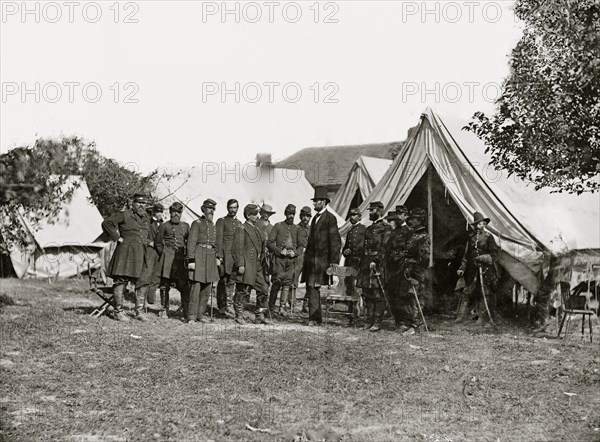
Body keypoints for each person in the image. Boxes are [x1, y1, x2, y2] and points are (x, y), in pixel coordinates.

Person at [101, 193, 152, 321]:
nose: (142, 206)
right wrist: (117, 238)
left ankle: (139, 312)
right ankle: (118, 311)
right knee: (121, 280)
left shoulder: (146, 218)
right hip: (126, 253)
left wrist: (148, 242)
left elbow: (147, 235)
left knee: (143, 280)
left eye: (144, 203)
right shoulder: (125, 214)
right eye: (139, 203)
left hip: (141, 253)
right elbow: (107, 222)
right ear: (133, 203)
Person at [301, 187, 342, 326]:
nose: (314, 204)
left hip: (322, 261)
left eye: (316, 201)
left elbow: (335, 241)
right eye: (314, 201)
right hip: (312, 261)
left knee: (313, 287)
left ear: (324, 202)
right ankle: (314, 317)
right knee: (311, 287)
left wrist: (334, 262)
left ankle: (314, 318)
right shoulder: (314, 218)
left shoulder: (330, 218)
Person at [456, 211, 499, 325]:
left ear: (484, 224)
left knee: (484, 292)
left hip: (485, 270)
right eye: (476, 224)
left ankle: (481, 318)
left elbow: (494, 255)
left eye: (480, 224)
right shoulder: (471, 237)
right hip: (472, 270)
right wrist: (462, 268)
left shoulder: (489, 237)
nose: (478, 226)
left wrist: (482, 258)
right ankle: (461, 316)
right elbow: (466, 255)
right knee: (467, 291)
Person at [232, 204, 271, 325]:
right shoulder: (241, 228)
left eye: (257, 213)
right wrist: (240, 265)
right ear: (248, 215)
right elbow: (237, 249)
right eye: (254, 214)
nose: (257, 216)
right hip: (246, 264)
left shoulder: (257, 229)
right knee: (242, 291)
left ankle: (259, 315)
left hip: (257, 266)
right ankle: (238, 315)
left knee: (264, 289)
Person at [356, 201, 391, 332]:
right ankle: (368, 320)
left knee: (377, 293)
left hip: (377, 264)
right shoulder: (369, 228)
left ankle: (377, 322)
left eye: (373, 211)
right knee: (367, 293)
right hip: (366, 262)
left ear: (380, 211)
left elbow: (385, 248)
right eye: (370, 211)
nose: (370, 213)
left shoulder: (386, 228)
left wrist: (376, 260)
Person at [186, 199, 220, 323]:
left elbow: (216, 244)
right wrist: (191, 260)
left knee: (206, 288)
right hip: (199, 255)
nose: (211, 211)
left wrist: (217, 257)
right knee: (196, 287)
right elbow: (191, 242)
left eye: (213, 209)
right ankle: (191, 316)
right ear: (203, 209)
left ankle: (200, 315)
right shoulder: (197, 223)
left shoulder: (213, 225)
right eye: (209, 208)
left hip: (210, 256)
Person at [154, 202, 190, 319]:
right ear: (170, 212)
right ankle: (164, 309)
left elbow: (189, 242)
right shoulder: (164, 226)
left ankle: (186, 310)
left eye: (178, 212)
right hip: (168, 260)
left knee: (184, 286)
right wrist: (165, 254)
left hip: (180, 260)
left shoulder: (186, 226)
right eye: (173, 212)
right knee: (165, 286)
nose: (176, 214)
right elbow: (158, 243)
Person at [267, 204, 301, 317]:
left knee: (287, 285)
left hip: (291, 262)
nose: (291, 216)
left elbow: (301, 246)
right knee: (276, 283)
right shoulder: (278, 226)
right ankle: (270, 307)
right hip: (279, 260)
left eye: (293, 214)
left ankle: (282, 307)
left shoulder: (297, 228)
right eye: (289, 213)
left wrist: (295, 253)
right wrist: (279, 251)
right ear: (285, 214)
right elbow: (270, 242)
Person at [402, 208, 431, 334]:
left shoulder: (424, 237)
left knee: (417, 298)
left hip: (418, 272)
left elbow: (424, 258)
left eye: (413, 218)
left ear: (419, 220)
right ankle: (413, 323)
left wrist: (413, 271)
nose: (411, 220)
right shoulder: (413, 235)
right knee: (410, 297)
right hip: (409, 269)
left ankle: (416, 326)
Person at [384, 206, 412, 331]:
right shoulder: (394, 231)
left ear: (406, 216)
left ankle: (405, 322)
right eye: (397, 214)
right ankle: (398, 321)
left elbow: (411, 251)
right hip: (391, 267)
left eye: (401, 214)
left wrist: (407, 265)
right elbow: (387, 248)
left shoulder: (409, 231)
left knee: (402, 295)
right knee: (392, 294)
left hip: (402, 266)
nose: (398, 217)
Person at [215, 199, 243, 319]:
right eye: (231, 207)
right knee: (222, 280)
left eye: (235, 207)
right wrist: (219, 256)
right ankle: (221, 306)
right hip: (224, 255)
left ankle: (229, 304)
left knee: (232, 281)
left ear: (238, 208)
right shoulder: (221, 221)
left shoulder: (239, 223)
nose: (233, 210)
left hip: (234, 256)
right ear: (227, 208)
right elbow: (219, 239)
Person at [342, 208, 366, 323]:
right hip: (349, 263)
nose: (351, 217)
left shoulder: (363, 229)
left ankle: (357, 311)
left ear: (360, 217)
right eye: (350, 215)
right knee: (349, 286)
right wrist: (345, 251)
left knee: (357, 287)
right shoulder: (350, 231)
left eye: (354, 215)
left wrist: (355, 254)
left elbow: (364, 247)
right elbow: (346, 246)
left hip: (357, 262)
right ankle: (350, 311)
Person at [138, 203, 164, 305]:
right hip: (150, 251)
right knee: (146, 274)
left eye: (161, 212)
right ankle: (141, 300)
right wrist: (150, 242)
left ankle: (151, 299)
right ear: (153, 212)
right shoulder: (147, 222)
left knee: (156, 276)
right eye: (158, 211)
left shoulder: (163, 224)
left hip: (159, 252)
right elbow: (142, 236)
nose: (160, 214)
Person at [295, 206, 312, 313]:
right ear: (300, 216)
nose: (305, 218)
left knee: (310, 281)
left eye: (307, 216)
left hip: (309, 257)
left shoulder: (312, 229)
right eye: (304, 216)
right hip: (299, 256)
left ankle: (306, 304)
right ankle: (291, 303)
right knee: (294, 280)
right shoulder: (296, 228)